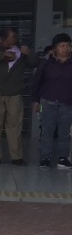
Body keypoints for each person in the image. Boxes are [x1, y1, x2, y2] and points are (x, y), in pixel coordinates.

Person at [0, 26, 37, 166]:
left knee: (15, 124)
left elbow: (35, 63)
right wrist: (2, 55)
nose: (14, 42)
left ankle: (16, 156)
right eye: (11, 40)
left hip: (14, 91)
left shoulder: (21, 48)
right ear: (1, 39)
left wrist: (29, 54)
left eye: (15, 39)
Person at [33, 33, 72, 169]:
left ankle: (63, 158)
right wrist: (36, 100)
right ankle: (45, 157)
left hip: (67, 103)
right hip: (47, 102)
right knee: (47, 131)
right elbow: (37, 82)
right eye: (62, 46)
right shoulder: (46, 64)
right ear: (55, 48)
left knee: (64, 132)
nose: (65, 48)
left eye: (68, 46)